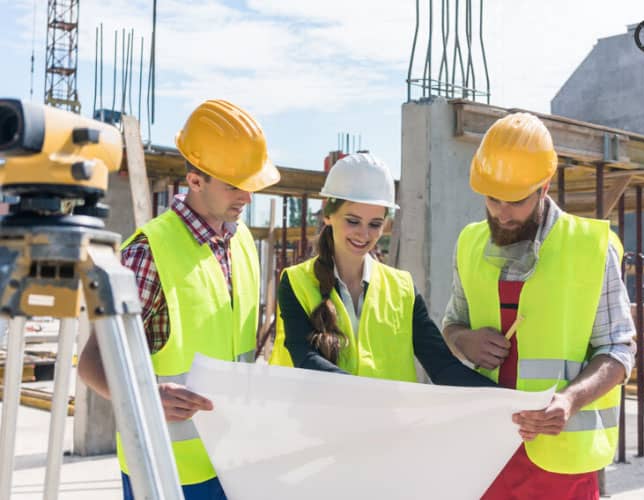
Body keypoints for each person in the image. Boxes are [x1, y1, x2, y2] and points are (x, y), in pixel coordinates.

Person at [78, 99, 280, 499]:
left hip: (232, 459)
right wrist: (147, 396)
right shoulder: (148, 253)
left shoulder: (239, 241)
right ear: (195, 180)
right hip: (164, 471)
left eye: (249, 185)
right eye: (233, 185)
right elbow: (91, 363)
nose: (246, 197)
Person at [441, 112, 637, 499]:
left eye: (514, 201)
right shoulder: (469, 243)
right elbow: (452, 324)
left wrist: (569, 400)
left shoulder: (591, 247)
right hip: (486, 453)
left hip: (561, 463)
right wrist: (466, 340)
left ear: (544, 187)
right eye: (492, 199)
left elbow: (619, 350)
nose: (501, 212)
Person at [270, 153, 495, 388]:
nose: (364, 234)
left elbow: (443, 366)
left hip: (389, 425)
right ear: (328, 214)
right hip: (318, 424)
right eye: (353, 221)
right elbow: (306, 360)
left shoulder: (403, 290)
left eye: (375, 224)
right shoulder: (296, 283)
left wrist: (509, 399)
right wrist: (373, 395)